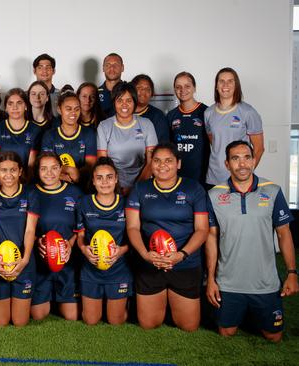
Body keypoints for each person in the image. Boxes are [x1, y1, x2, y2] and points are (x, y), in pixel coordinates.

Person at [206, 141, 298, 342]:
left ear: (254, 160)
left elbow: (284, 234)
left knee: (274, 336)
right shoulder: (214, 195)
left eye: (247, 157)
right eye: (235, 159)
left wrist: (292, 273)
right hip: (228, 283)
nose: (242, 164)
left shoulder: (273, 191)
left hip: (265, 283)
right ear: (226, 164)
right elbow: (211, 237)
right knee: (226, 333)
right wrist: (211, 279)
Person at [126, 143, 209, 332]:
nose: (162, 165)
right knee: (148, 325)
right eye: (156, 161)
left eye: (168, 161)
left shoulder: (193, 188)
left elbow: (202, 230)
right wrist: (145, 254)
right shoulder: (140, 189)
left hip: (184, 263)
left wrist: (182, 254)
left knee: (188, 327)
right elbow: (132, 227)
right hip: (150, 262)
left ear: (178, 163)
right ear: (151, 164)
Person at [0, 151, 39, 327]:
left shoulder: (30, 194)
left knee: (20, 322)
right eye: (3, 170)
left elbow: (30, 230)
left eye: (13, 170)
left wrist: (24, 260)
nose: (8, 175)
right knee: (1, 323)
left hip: (23, 263)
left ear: (20, 171)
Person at [78, 157, 131, 325]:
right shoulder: (84, 203)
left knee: (115, 321)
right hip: (91, 268)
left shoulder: (126, 204)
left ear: (116, 179)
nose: (105, 182)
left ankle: (127, 303)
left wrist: (121, 251)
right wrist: (83, 249)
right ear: (93, 181)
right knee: (90, 320)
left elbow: (134, 238)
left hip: (118, 268)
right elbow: (80, 235)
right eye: (99, 178)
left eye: (109, 177)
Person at [32, 152, 83, 321]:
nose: (49, 173)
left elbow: (81, 226)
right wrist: (37, 241)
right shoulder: (30, 193)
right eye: (44, 169)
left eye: (54, 168)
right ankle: (47, 296)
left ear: (61, 169)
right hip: (40, 261)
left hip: (67, 260)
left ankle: (60, 297)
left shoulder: (75, 193)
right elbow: (22, 228)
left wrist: (69, 243)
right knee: (38, 315)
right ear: (38, 171)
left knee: (72, 316)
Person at [205, 67, 264, 187]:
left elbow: (259, 148)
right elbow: (214, 142)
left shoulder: (248, 112)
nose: (225, 84)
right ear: (216, 86)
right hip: (213, 178)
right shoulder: (208, 112)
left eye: (230, 81)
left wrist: (246, 172)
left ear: (236, 85)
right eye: (221, 81)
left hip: (238, 179)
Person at [97, 81, 158, 194]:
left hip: (142, 184)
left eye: (128, 100)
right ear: (114, 103)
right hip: (112, 186)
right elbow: (103, 163)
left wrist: (135, 189)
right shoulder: (104, 126)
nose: (124, 105)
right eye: (120, 100)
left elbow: (152, 162)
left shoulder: (146, 124)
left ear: (135, 102)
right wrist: (116, 188)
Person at [40, 91, 97, 185]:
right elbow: (45, 166)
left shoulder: (89, 133)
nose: (73, 113)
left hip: (83, 184)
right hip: (55, 183)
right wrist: (64, 172)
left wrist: (75, 174)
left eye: (77, 109)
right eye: (68, 109)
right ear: (59, 109)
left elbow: (90, 166)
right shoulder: (50, 135)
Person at [0, 88, 41, 183]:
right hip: (2, 185)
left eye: (19, 103)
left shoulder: (35, 129)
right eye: (10, 103)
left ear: (25, 106)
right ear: (6, 108)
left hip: (25, 185)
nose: (15, 107)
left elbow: (31, 168)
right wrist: (7, 188)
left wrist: (18, 191)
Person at [166, 72, 209, 184]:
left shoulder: (207, 112)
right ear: (174, 89)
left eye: (187, 86)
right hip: (177, 177)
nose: (182, 90)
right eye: (178, 87)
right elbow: (168, 148)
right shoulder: (171, 116)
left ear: (194, 88)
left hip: (203, 177)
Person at [131, 74, 169, 143]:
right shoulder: (120, 112)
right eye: (139, 88)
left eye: (147, 89)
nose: (143, 92)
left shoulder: (158, 116)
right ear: (131, 90)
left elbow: (162, 145)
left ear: (152, 94)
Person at [32, 53, 59, 118]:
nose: (44, 70)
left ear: (54, 71)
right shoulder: (26, 96)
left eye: (48, 67)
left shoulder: (61, 96)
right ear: (34, 71)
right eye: (40, 67)